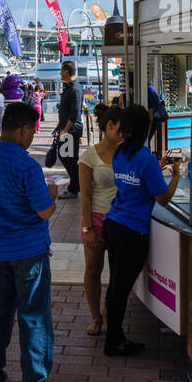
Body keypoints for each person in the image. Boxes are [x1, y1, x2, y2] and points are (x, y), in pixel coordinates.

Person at [0, 101, 62, 382]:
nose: (32, 138)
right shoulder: (27, 165)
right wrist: (52, 194)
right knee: (33, 316)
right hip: (30, 253)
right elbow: (45, 212)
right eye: (32, 132)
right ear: (24, 129)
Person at [101, 104, 182, 357]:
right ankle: (114, 342)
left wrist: (156, 167)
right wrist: (176, 175)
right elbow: (162, 198)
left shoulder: (120, 153)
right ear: (144, 129)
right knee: (121, 289)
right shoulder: (145, 158)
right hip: (132, 232)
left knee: (115, 284)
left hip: (113, 223)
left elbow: (134, 180)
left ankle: (113, 335)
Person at [78, 103, 123, 335]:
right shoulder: (89, 156)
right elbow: (85, 197)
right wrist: (87, 228)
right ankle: (95, 317)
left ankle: (109, 313)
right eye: (122, 129)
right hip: (95, 219)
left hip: (120, 222)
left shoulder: (128, 154)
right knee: (93, 270)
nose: (125, 134)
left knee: (117, 275)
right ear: (109, 126)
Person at [54, 61, 83, 198]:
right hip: (66, 129)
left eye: (61, 70)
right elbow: (66, 112)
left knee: (69, 158)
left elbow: (75, 112)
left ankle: (75, 186)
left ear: (66, 71)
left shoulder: (75, 89)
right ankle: (76, 184)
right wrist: (59, 127)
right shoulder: (69, 87)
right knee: (66, 157)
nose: (60, 73)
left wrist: (65, 129)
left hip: (71, 131)